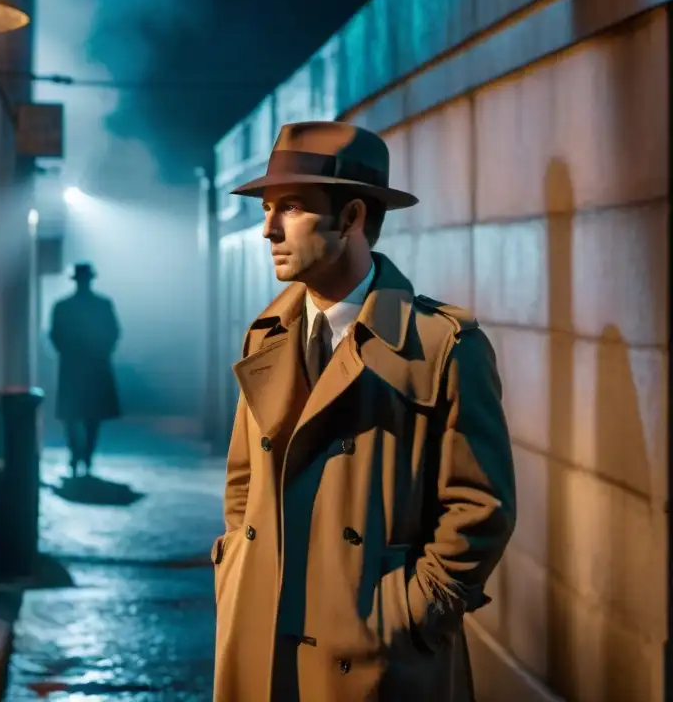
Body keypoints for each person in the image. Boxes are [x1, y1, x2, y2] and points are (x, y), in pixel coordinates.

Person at [211, 121, 517, 702]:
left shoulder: (442, 345)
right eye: (267, 208)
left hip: (377, 657)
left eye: (291, 207)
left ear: (351, 217)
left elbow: (481, 507)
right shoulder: (267, 336)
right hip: (263, 629)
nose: (267, 229)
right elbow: (243, 481)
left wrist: (408, 613)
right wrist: (236, 565)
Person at [48, 262, 121, 477]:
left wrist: (69, 352)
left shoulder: (63, 306)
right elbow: (113, 332)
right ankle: (85, 455)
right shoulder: (102, 304)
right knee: (91, 416)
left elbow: (55, 335)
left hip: (73, 365)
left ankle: (77, 454)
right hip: (94, 365)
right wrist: (100, 352)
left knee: (74, 414)